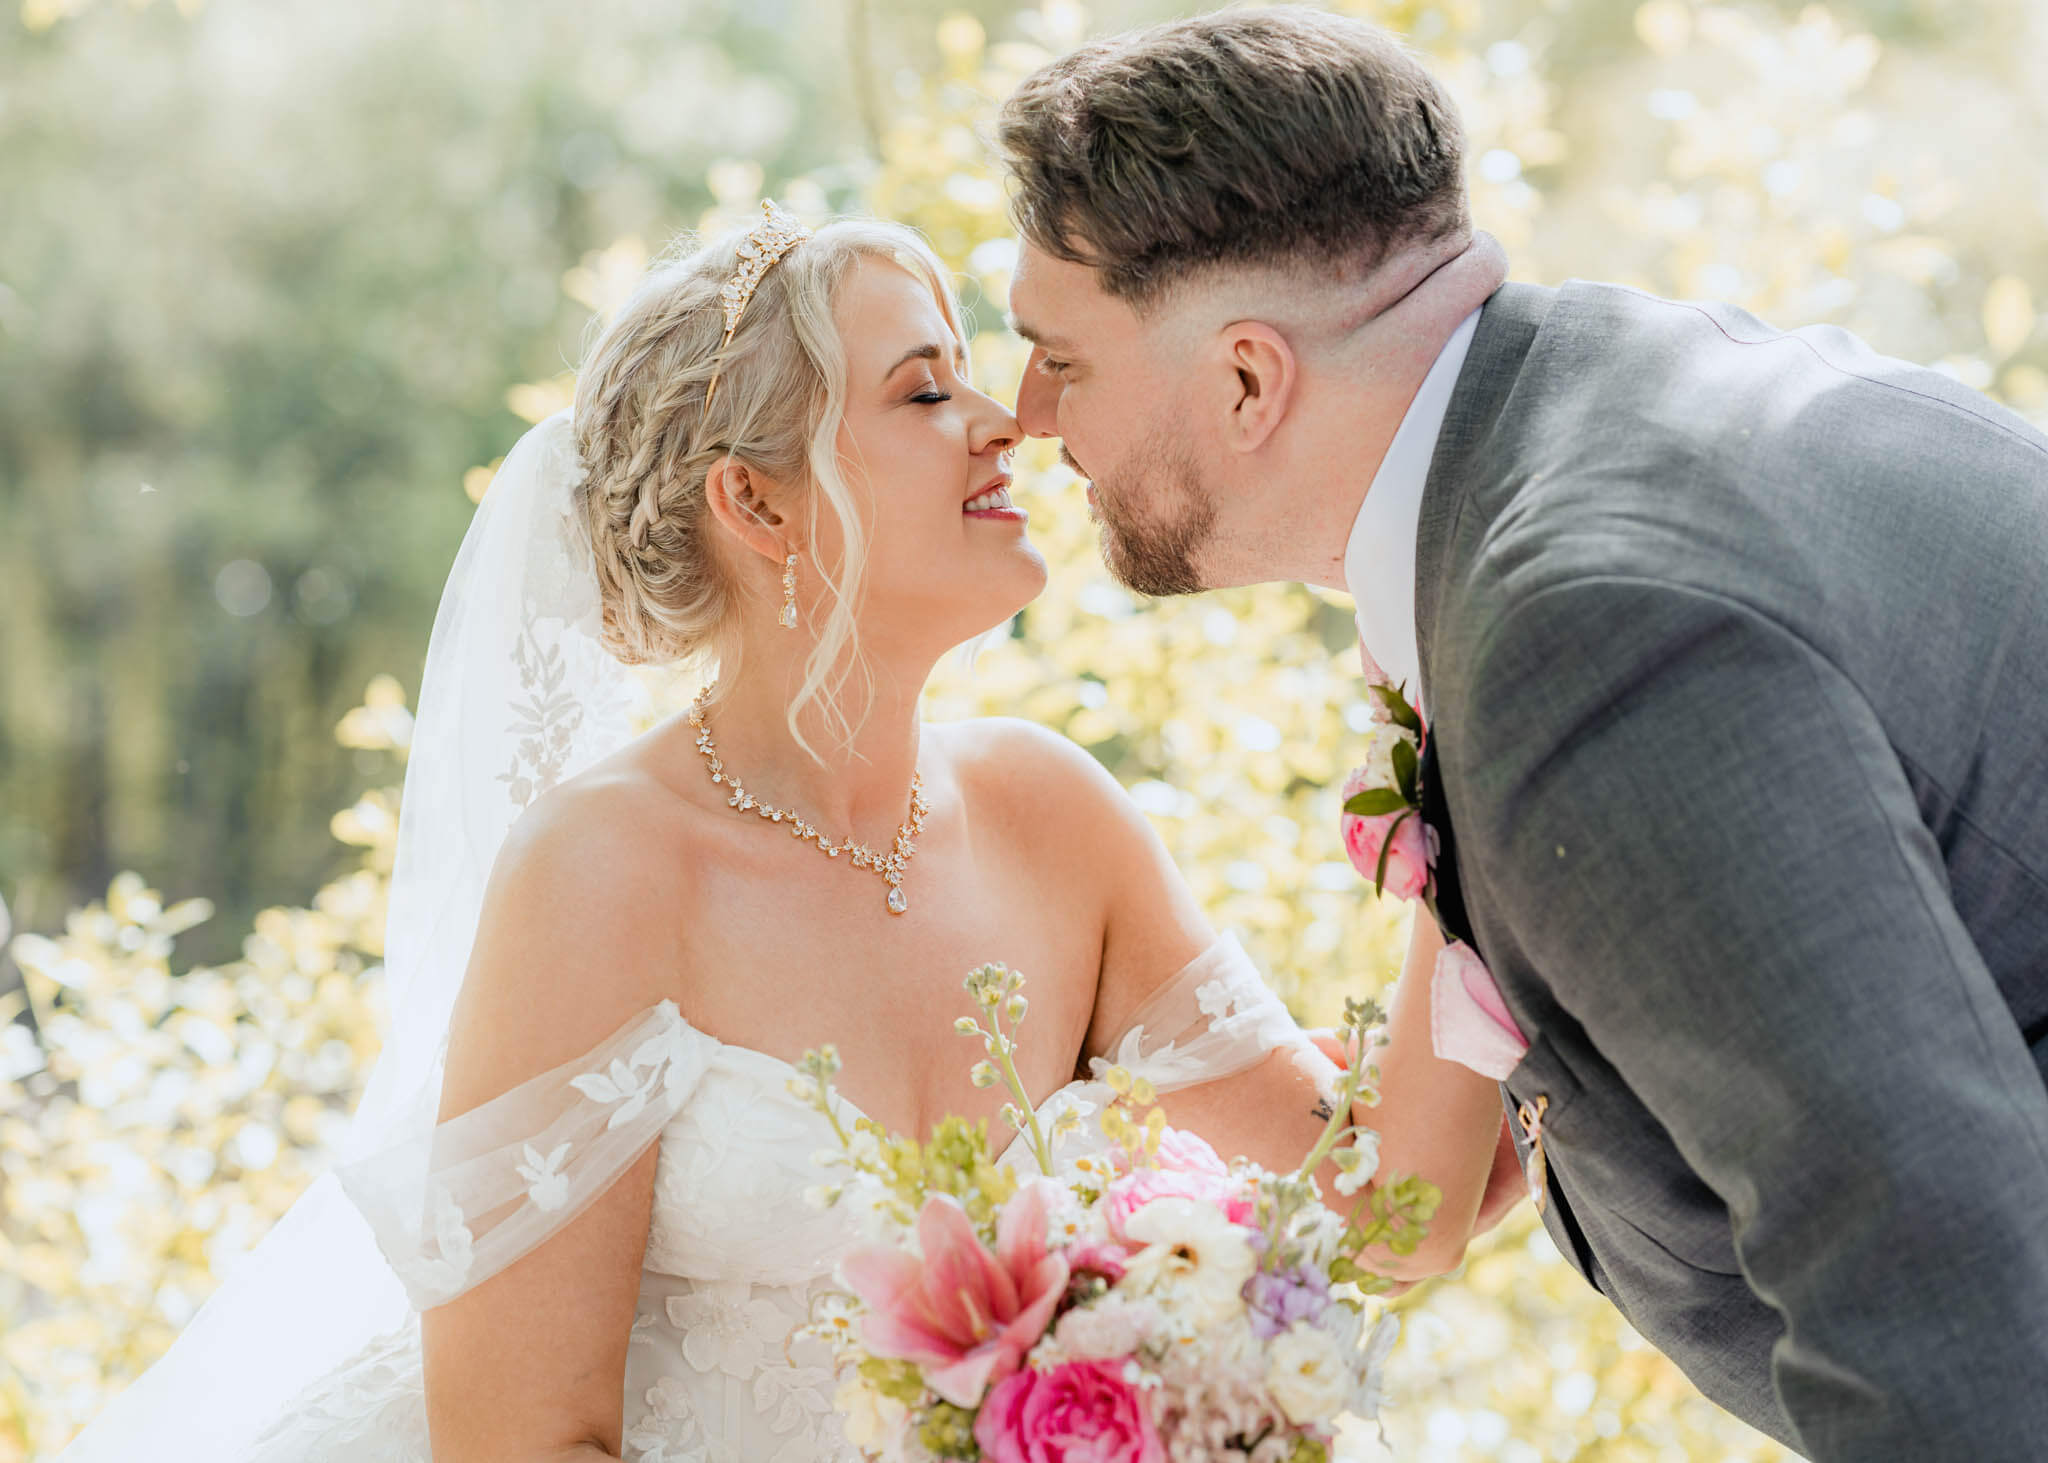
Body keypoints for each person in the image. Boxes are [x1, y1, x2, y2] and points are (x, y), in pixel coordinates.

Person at [55, 207, 1511, 1462]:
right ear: (754, 501)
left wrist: (1466, 786)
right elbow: (524, 1443)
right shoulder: (608, 871)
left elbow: (1386, 1212)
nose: (1009, 419)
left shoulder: (1053, 815)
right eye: (926, 391)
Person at [994, 8, 2048, 1459]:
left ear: (1247, 380)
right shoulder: (1596, 395)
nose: (1027, 413)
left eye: (1061, 358)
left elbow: (1939, 1300)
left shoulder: (1584, 633)